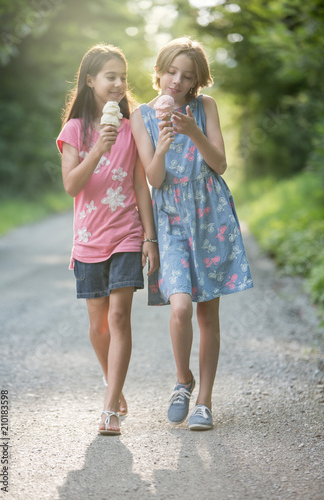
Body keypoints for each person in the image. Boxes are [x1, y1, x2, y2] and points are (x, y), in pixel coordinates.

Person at [130, 37, 253, 431]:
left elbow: (220, 164)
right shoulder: (142, 116)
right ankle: (183, 381)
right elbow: (154, 178)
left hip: (209, 214)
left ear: (197, 80)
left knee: (207, 312)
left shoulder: (205, 108)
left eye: (186, 76)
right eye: (171, 72)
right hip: (171, 219)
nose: (176, 82)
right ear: (160, 70)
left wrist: (193, 133)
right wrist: (164, 145)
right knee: (179, 305)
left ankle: (205, 401)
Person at [57, 44, 159, 435]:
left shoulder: (134, 128)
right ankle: (111, 384)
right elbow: (71, 186)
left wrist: (149, 238)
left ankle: (109, 408)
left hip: (126, 235)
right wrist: (98, 147)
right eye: (109, 76)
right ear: (90, 81)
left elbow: (140, 186)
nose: (118, 84)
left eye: (122, 77)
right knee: (99, 324)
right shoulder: (75, 130)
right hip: (88, 239)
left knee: (119, 317)